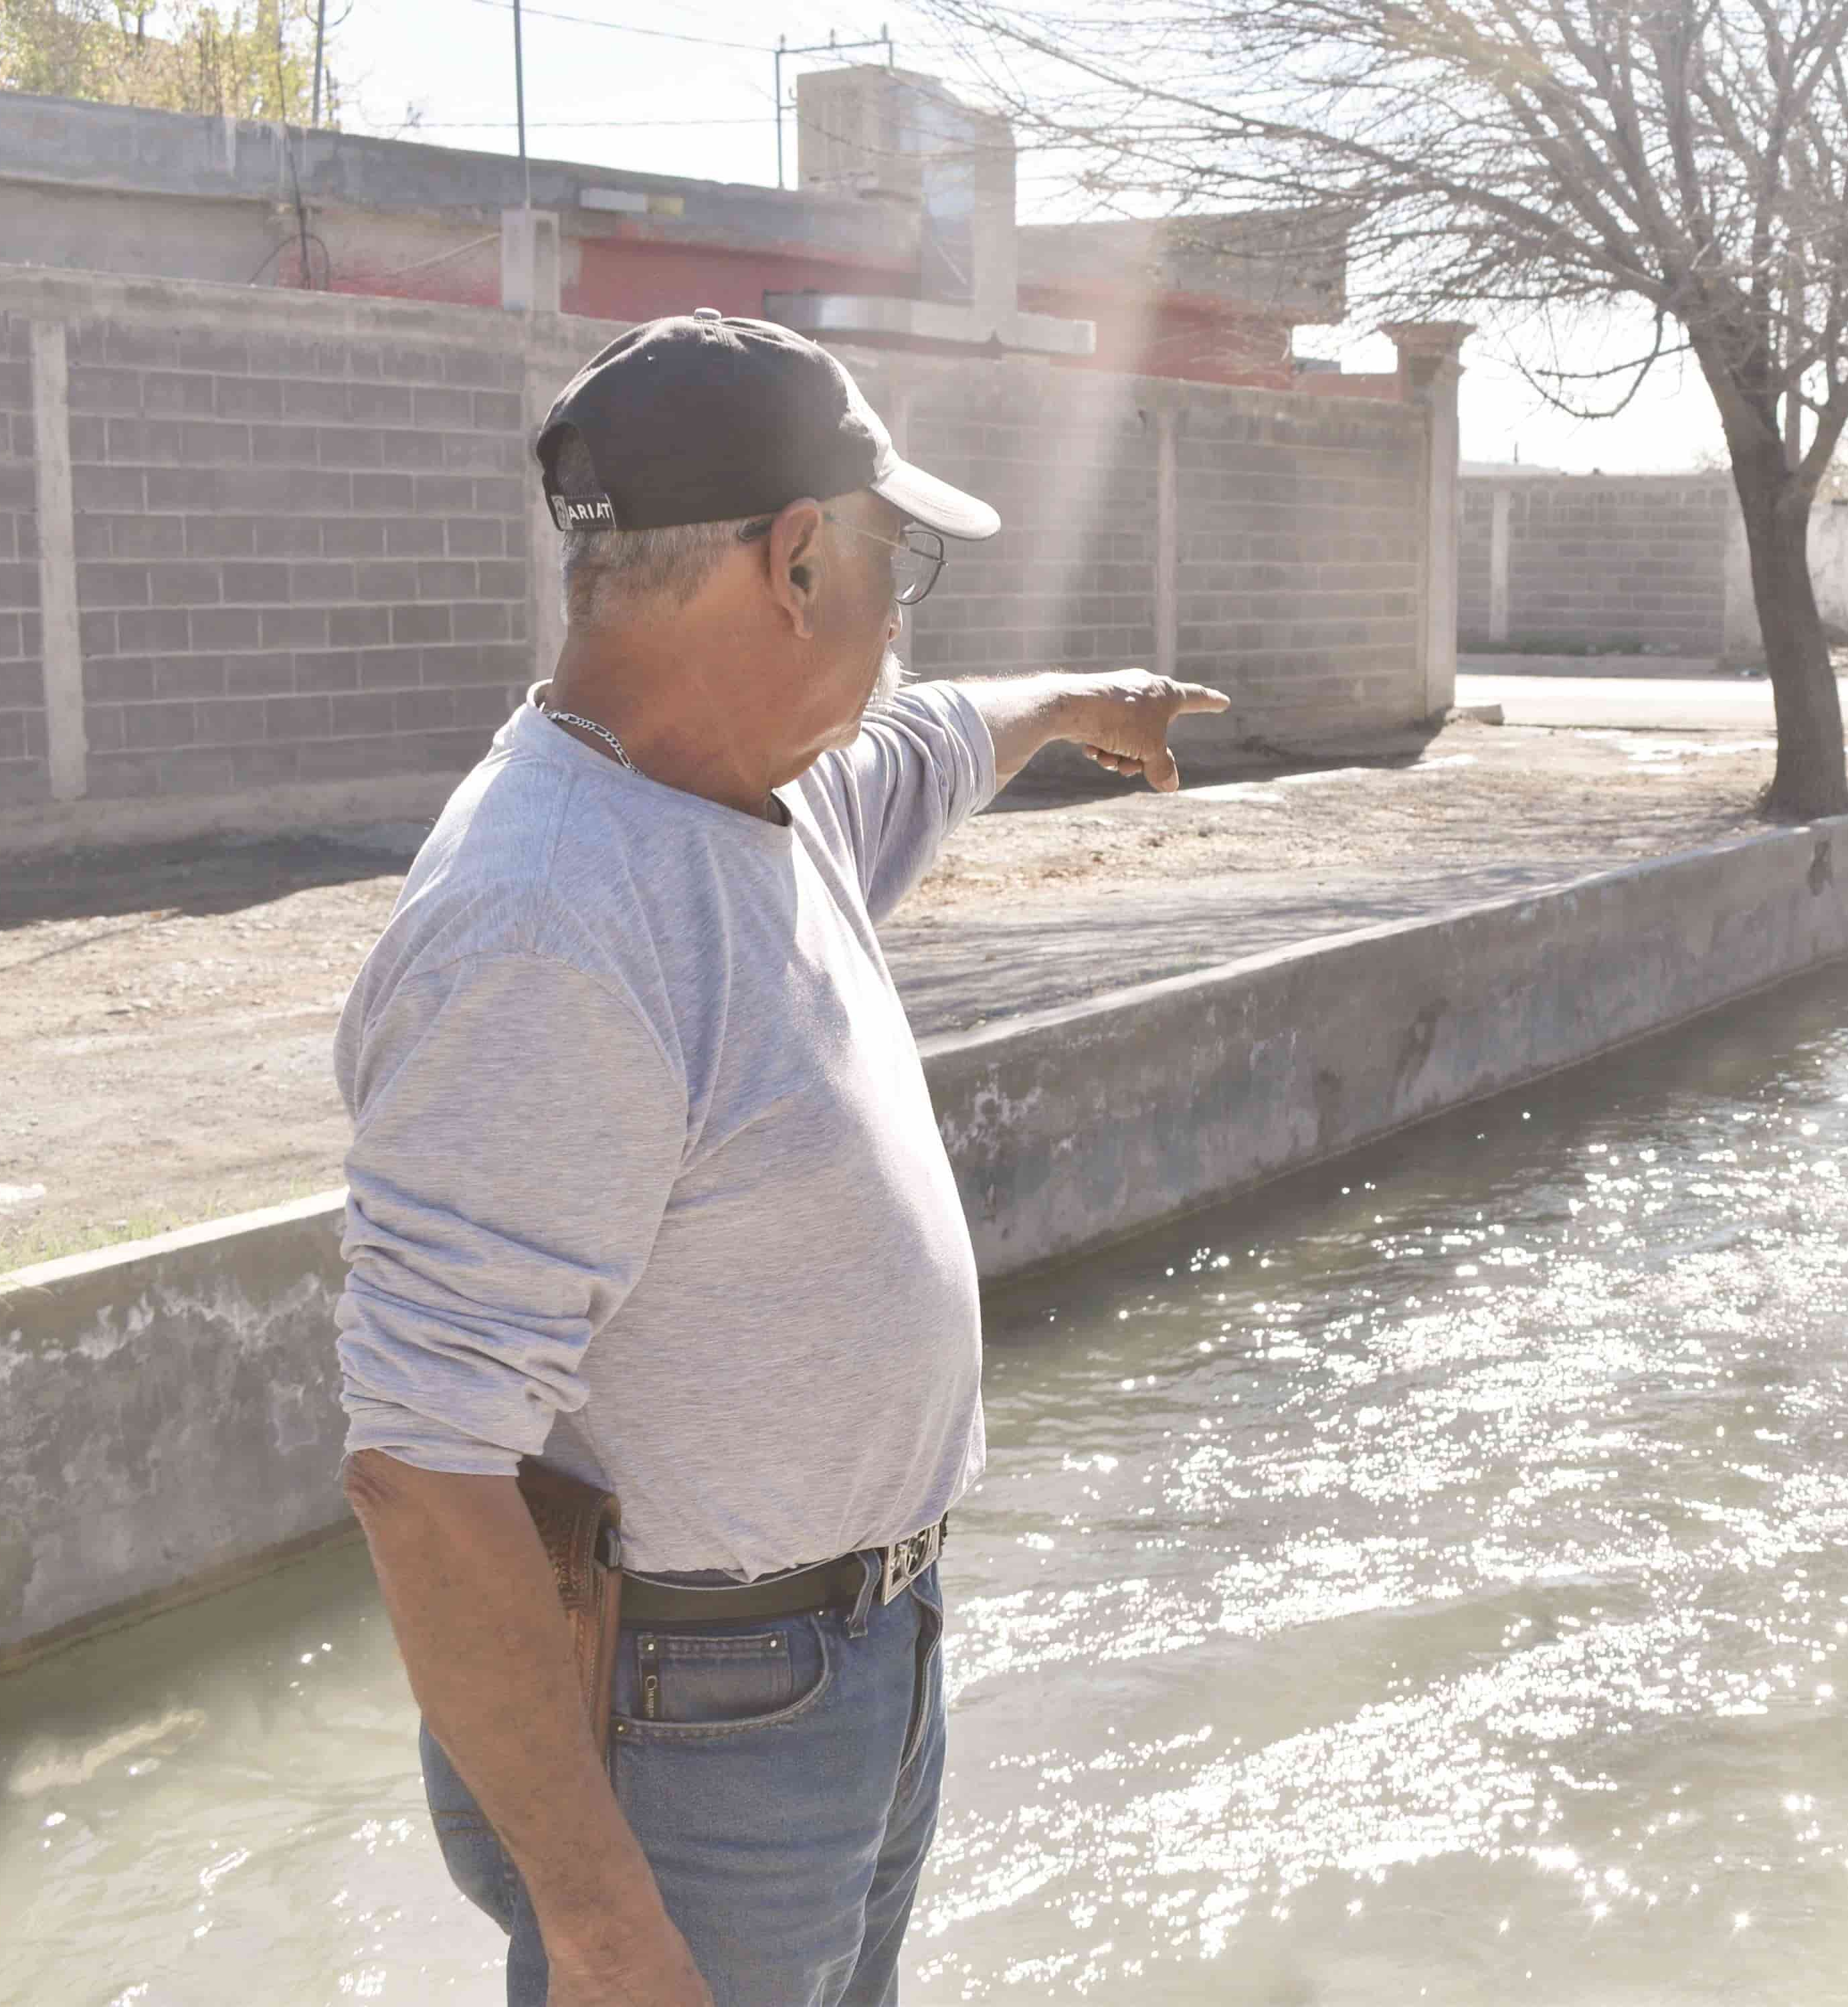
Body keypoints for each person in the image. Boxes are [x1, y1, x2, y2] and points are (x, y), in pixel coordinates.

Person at [333, 308, 1228, 2007]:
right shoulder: (551, 924)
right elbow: (421, 1472)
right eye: (901, 566)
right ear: (800, 559)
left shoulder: (766, 794)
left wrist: (1083, 704)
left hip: (847, 1665)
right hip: (699, 1729)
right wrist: (604, 1925)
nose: (905, 625)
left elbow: (952, 729)